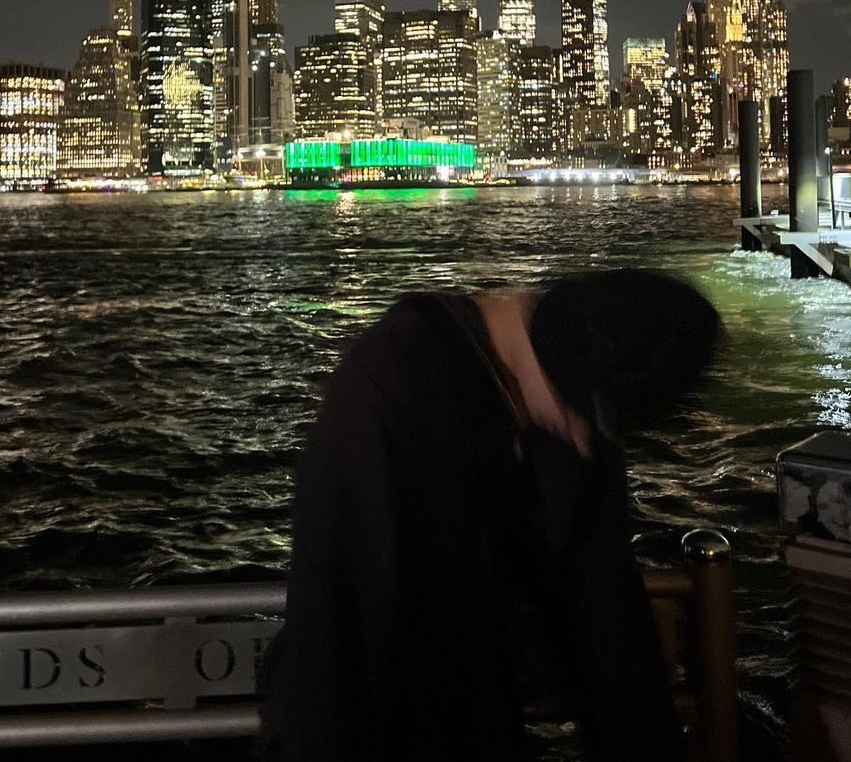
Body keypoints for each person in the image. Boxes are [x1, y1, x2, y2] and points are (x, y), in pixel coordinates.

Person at [260, 268, 721, 762]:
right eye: (585, 416)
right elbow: (340, 634)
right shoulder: (395, 380)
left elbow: (613, 626)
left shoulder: (573, 401)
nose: (586, 438)